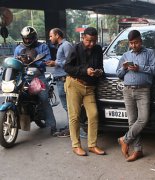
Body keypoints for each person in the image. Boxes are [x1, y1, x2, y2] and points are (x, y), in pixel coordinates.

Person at [116, 30, 155, 162]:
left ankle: (124, 139)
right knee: (132, 121)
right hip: (128, 90)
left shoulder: (150, 53)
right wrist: (124, 68)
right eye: (131, 43)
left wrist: (139, 68)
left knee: (143, 119)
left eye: (135, 42)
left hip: (143, 90)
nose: (133, 45)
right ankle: (138, 150)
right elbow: (118, 74)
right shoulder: (125, 55)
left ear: (141, 41)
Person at [64, 27, 105, 156]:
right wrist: (84, 71)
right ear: (83, 38)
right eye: (88, 41)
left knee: (93, 115)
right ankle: (76, 145)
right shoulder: (75, 49)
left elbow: (101, 66)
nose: (91, 44)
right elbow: (67, 67)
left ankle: (92, 145)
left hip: (90, 87)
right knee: (74, 116)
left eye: (94, 41)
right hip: (75, 84)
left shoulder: (98, 49)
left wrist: (99, 72)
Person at [14, 26, 58, 136]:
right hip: (22, 77)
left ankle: (53, 127)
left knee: (43, 99)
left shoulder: (42, 47)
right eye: (25, 38)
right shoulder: (18, 48)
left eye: (29, 38)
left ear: (34, 37)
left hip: (37, 77)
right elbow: (14, 62)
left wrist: (31, 60)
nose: (27, 40)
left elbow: (47, 61)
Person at [46, 28, 73, 138]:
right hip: (60, 79)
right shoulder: (61, 46)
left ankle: (72, 129)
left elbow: (70, 61)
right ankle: (70, 127)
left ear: (57, 35)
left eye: (51, 36)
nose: (50, 38)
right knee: (67, 106)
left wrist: (55, 63)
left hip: (64, 79)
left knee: (68, 106)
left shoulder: (66, 45)